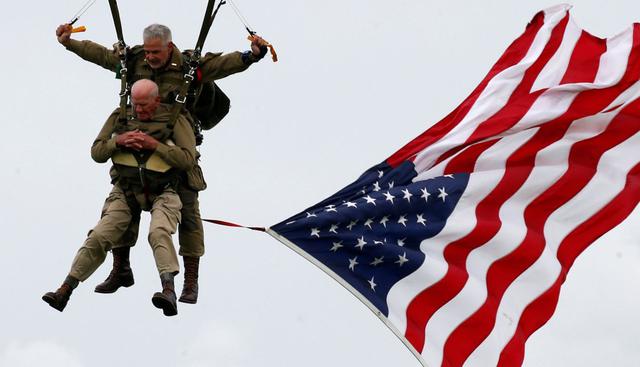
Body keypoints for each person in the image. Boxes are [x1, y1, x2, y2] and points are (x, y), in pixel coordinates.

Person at [54, 23, 268, 303]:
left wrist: (251, 55)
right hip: (138, 141)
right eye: (148, 51)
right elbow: (103, 56)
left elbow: (223, 65)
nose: (150, 57)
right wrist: (69, 43)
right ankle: (121, 269)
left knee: (189, 213)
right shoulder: (134, 60)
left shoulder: (188, 66)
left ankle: (190, 281)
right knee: (124, 194)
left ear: (168, 47)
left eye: (156, 52)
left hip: (176, 142)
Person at [43, 79, 197, 316]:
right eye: (135, 105)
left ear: (157, 101)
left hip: (165, 190)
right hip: (126, 189)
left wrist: (154, 145)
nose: (139, 111)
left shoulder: (175, 119)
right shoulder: (120, 116)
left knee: (158, 232)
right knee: (99, 235)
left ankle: (169, 290)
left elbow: (187, 160)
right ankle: (65, 289)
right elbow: (97, 152)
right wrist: (118, 141)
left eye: (145, 105)